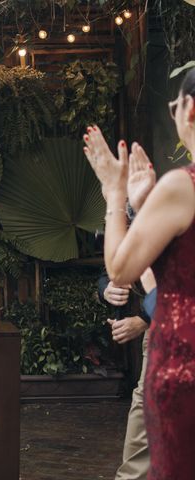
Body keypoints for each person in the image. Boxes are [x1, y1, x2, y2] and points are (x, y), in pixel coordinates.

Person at [84, 67, 195, 479]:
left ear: (190, 110)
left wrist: (116, 195)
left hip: (184, 358)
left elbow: (120, 267)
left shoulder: (184, 186)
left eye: (174, 105)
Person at [98, 268, 156, 480]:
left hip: (174, 317)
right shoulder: (133, 234)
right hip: (162, 330)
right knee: (146, 409)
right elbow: (110, 271)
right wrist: (107, 289)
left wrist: (144, 319)